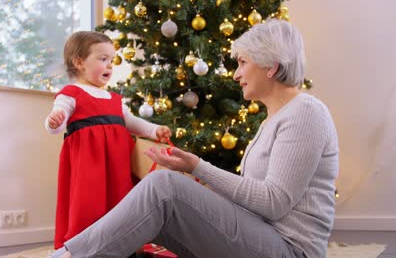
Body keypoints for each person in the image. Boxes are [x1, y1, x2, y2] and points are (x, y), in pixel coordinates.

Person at [51, 19, 339, 258]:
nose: (237, 74)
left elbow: (274, 202)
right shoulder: (273, 119)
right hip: (265, 237)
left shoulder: (305, 112)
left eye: (242, 63)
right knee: (161, 209)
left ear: (271, 67)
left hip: (290, 250)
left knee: (163, 186)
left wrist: (196, 167)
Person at [45, 31, 172, 250]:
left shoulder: (114, 98)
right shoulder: (71, 93)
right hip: (88, 166)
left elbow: (130, 121)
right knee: (88, 205)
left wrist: (154, 130)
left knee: (121, 205)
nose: (110, 66)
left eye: (111, 61)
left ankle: (119, 245)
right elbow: (58, 117)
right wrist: (54, 122)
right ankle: (84, 247)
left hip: (117, 164)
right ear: (79, 62)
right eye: (103, 59)